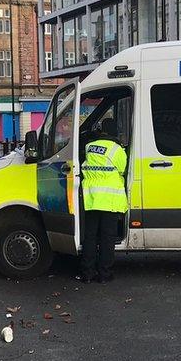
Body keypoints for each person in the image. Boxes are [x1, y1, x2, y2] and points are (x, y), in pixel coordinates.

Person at [77, 118, 128, 283]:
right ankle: (105, 274)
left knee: (90, 237)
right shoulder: (117, 149)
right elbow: (122, 169)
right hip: (110, 199)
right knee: (107, 238)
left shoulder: (89, 147)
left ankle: (87, 274)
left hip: (91, 198)